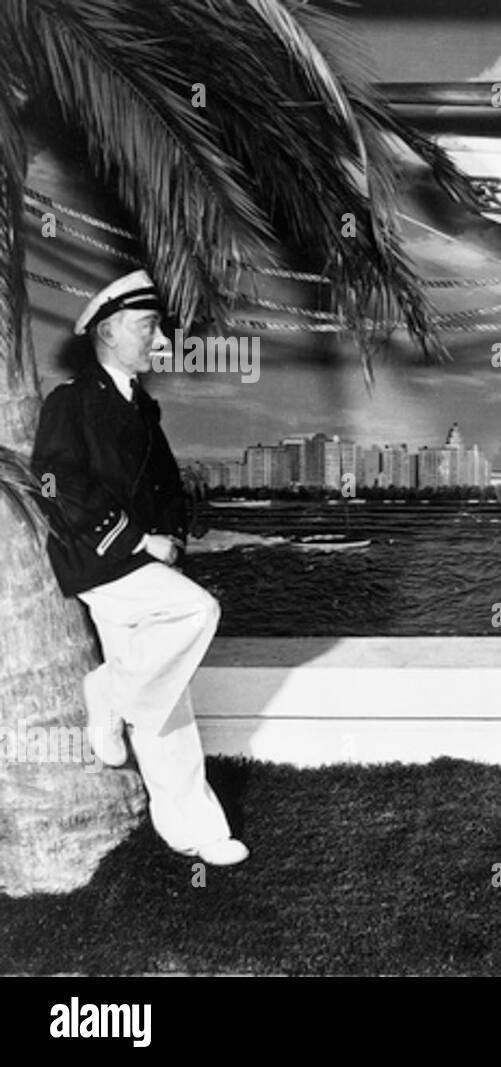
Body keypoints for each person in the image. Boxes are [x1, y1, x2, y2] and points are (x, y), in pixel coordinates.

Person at [31, 270, 248, 867]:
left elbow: (166, 488)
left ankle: (195, 830)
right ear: (107, 330)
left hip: (140, 562)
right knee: (197, 610)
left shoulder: (142, 406)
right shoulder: (71, 401)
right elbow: (54, 482)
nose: (158, 338)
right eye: (147, 325)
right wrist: (137, 541)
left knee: (166, 691)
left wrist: (172, 536)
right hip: (99, 562)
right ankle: (108, 694)